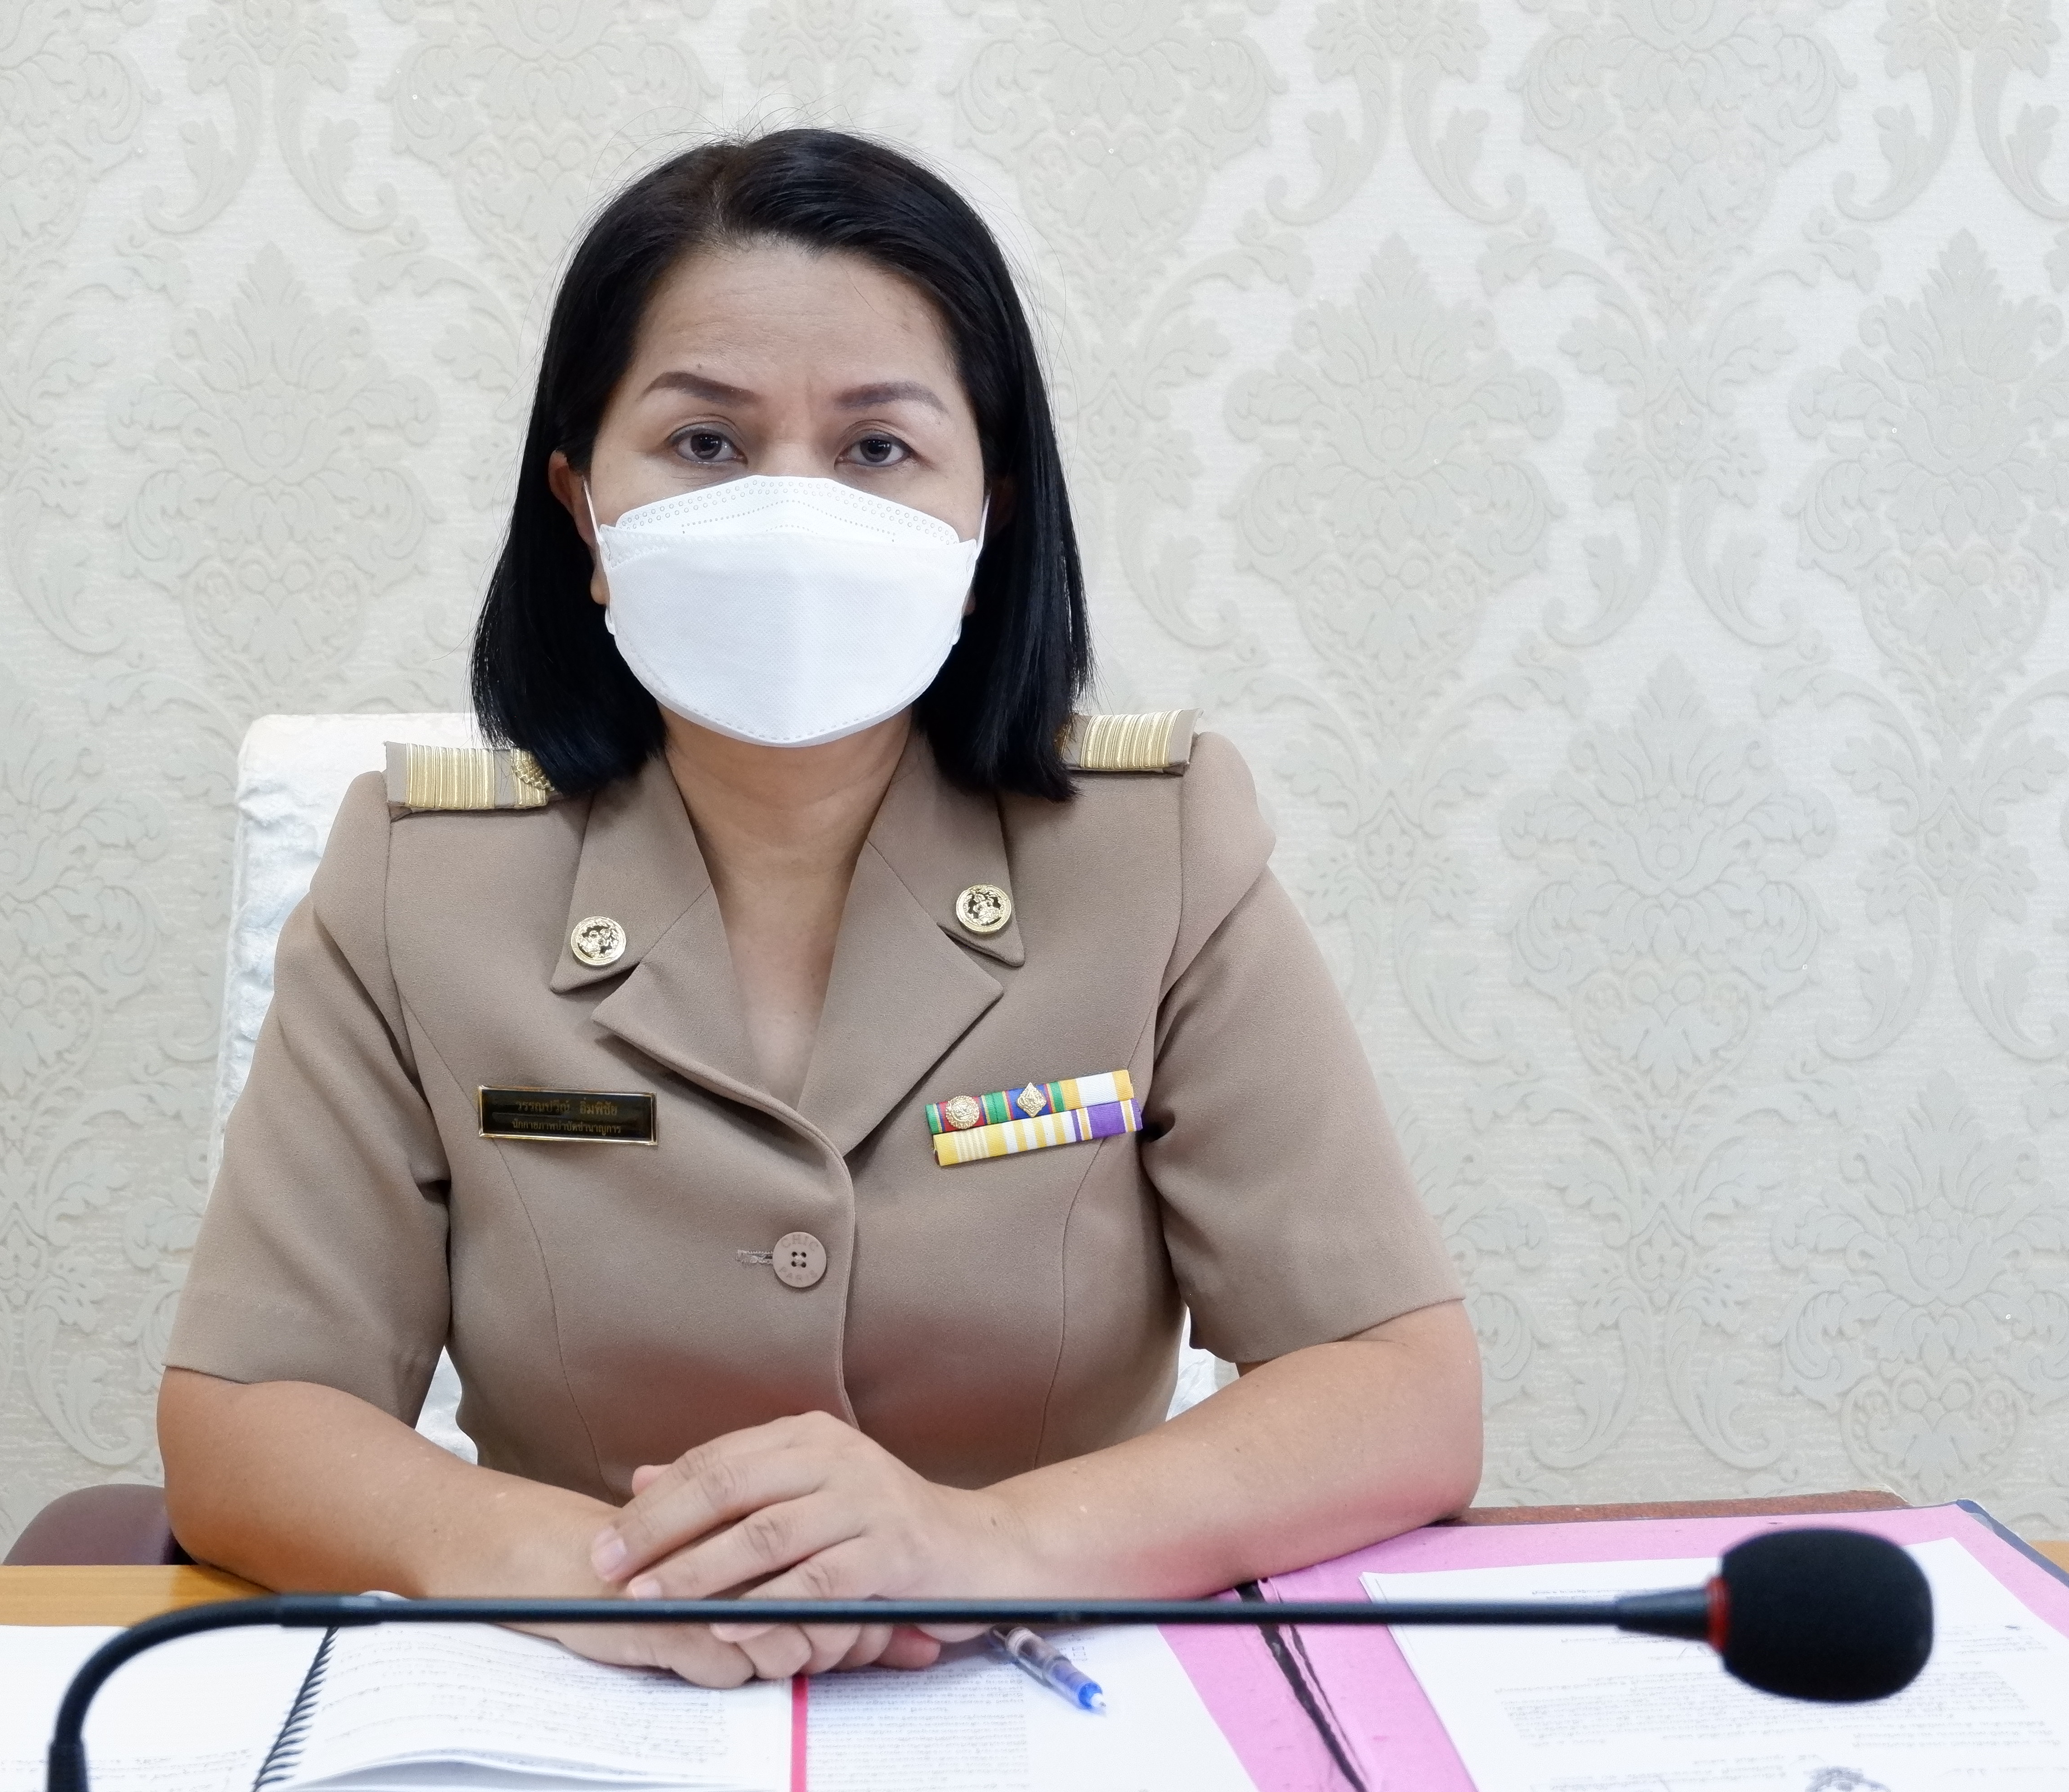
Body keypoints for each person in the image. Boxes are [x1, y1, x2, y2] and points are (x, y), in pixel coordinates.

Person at [159, 129, 1480, 1686]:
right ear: (585, 511)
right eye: (707, 443)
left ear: (986, 519)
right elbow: (248, 1416)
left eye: (877, 449)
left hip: (1039, 1694)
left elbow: (1396, 1382)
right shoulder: (420, 877)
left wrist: (987, 1546)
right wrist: (597, 1577)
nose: (790, 509)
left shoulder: (1156, 851)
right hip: (591, 1704)